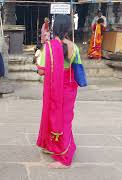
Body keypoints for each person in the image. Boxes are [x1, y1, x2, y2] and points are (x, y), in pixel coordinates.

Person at [36, 14, 81, 169]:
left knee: (51, 116)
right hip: (69, 87)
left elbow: (41, 71)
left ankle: (64, 158)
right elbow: (78, 67)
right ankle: (57, 147)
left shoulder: (48, 47)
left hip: (53, 87)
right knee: (65, 120)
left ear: (54, 28)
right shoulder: (74, 47)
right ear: (69, 28)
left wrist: (38, 60)